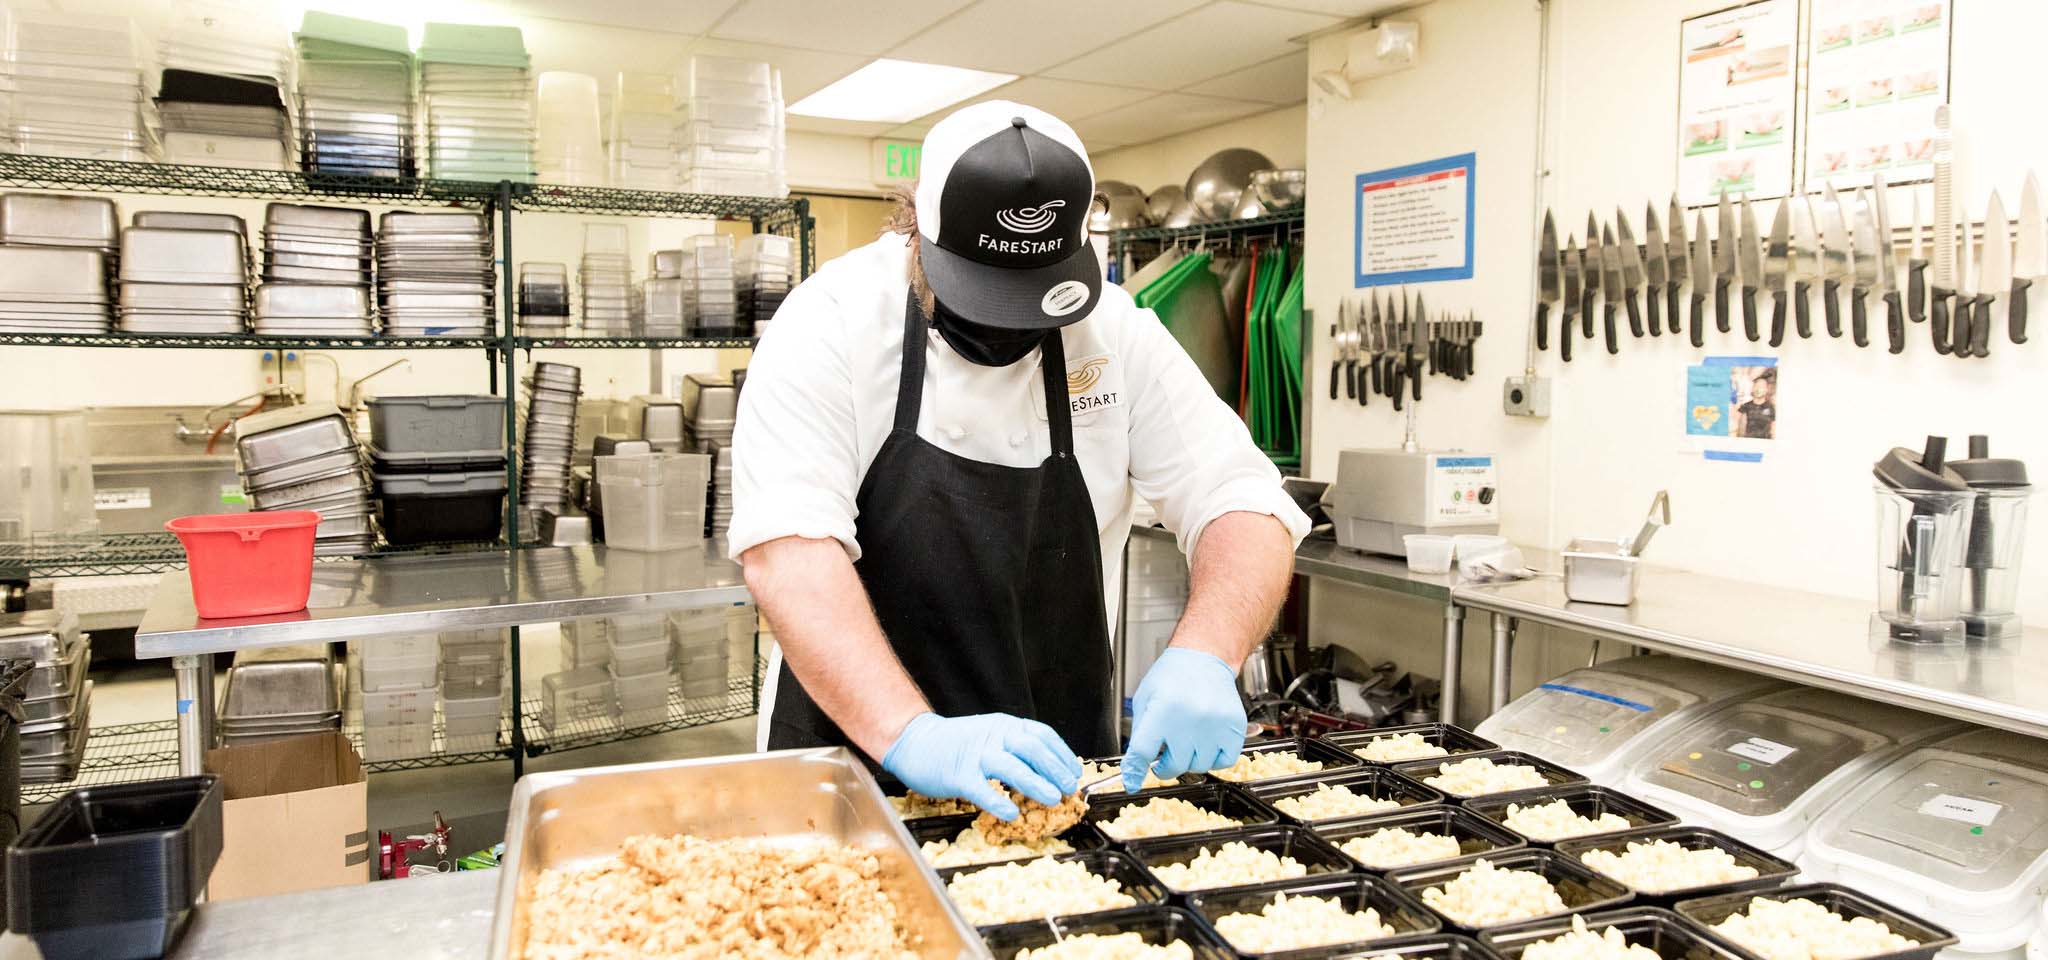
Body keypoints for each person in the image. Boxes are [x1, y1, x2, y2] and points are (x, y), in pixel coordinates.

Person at [727, 101, 1310, 820]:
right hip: (855, 759)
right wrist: (914, 734)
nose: (1012, 329)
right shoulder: (828, 325)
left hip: (1052, 773)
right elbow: (789, 555)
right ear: (917, 232)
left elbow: (1240, 497)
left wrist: (1208, 651)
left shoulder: (1115, 331)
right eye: (984, 297)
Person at [1734, 371, 1775, 439]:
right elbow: (1739, 427)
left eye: (1762, 386)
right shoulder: (1745, 407)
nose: (1758, 388)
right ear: (1752, 388)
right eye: (1756, 385)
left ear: (1766, 390)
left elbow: (1773, 430)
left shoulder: (1771, 408)